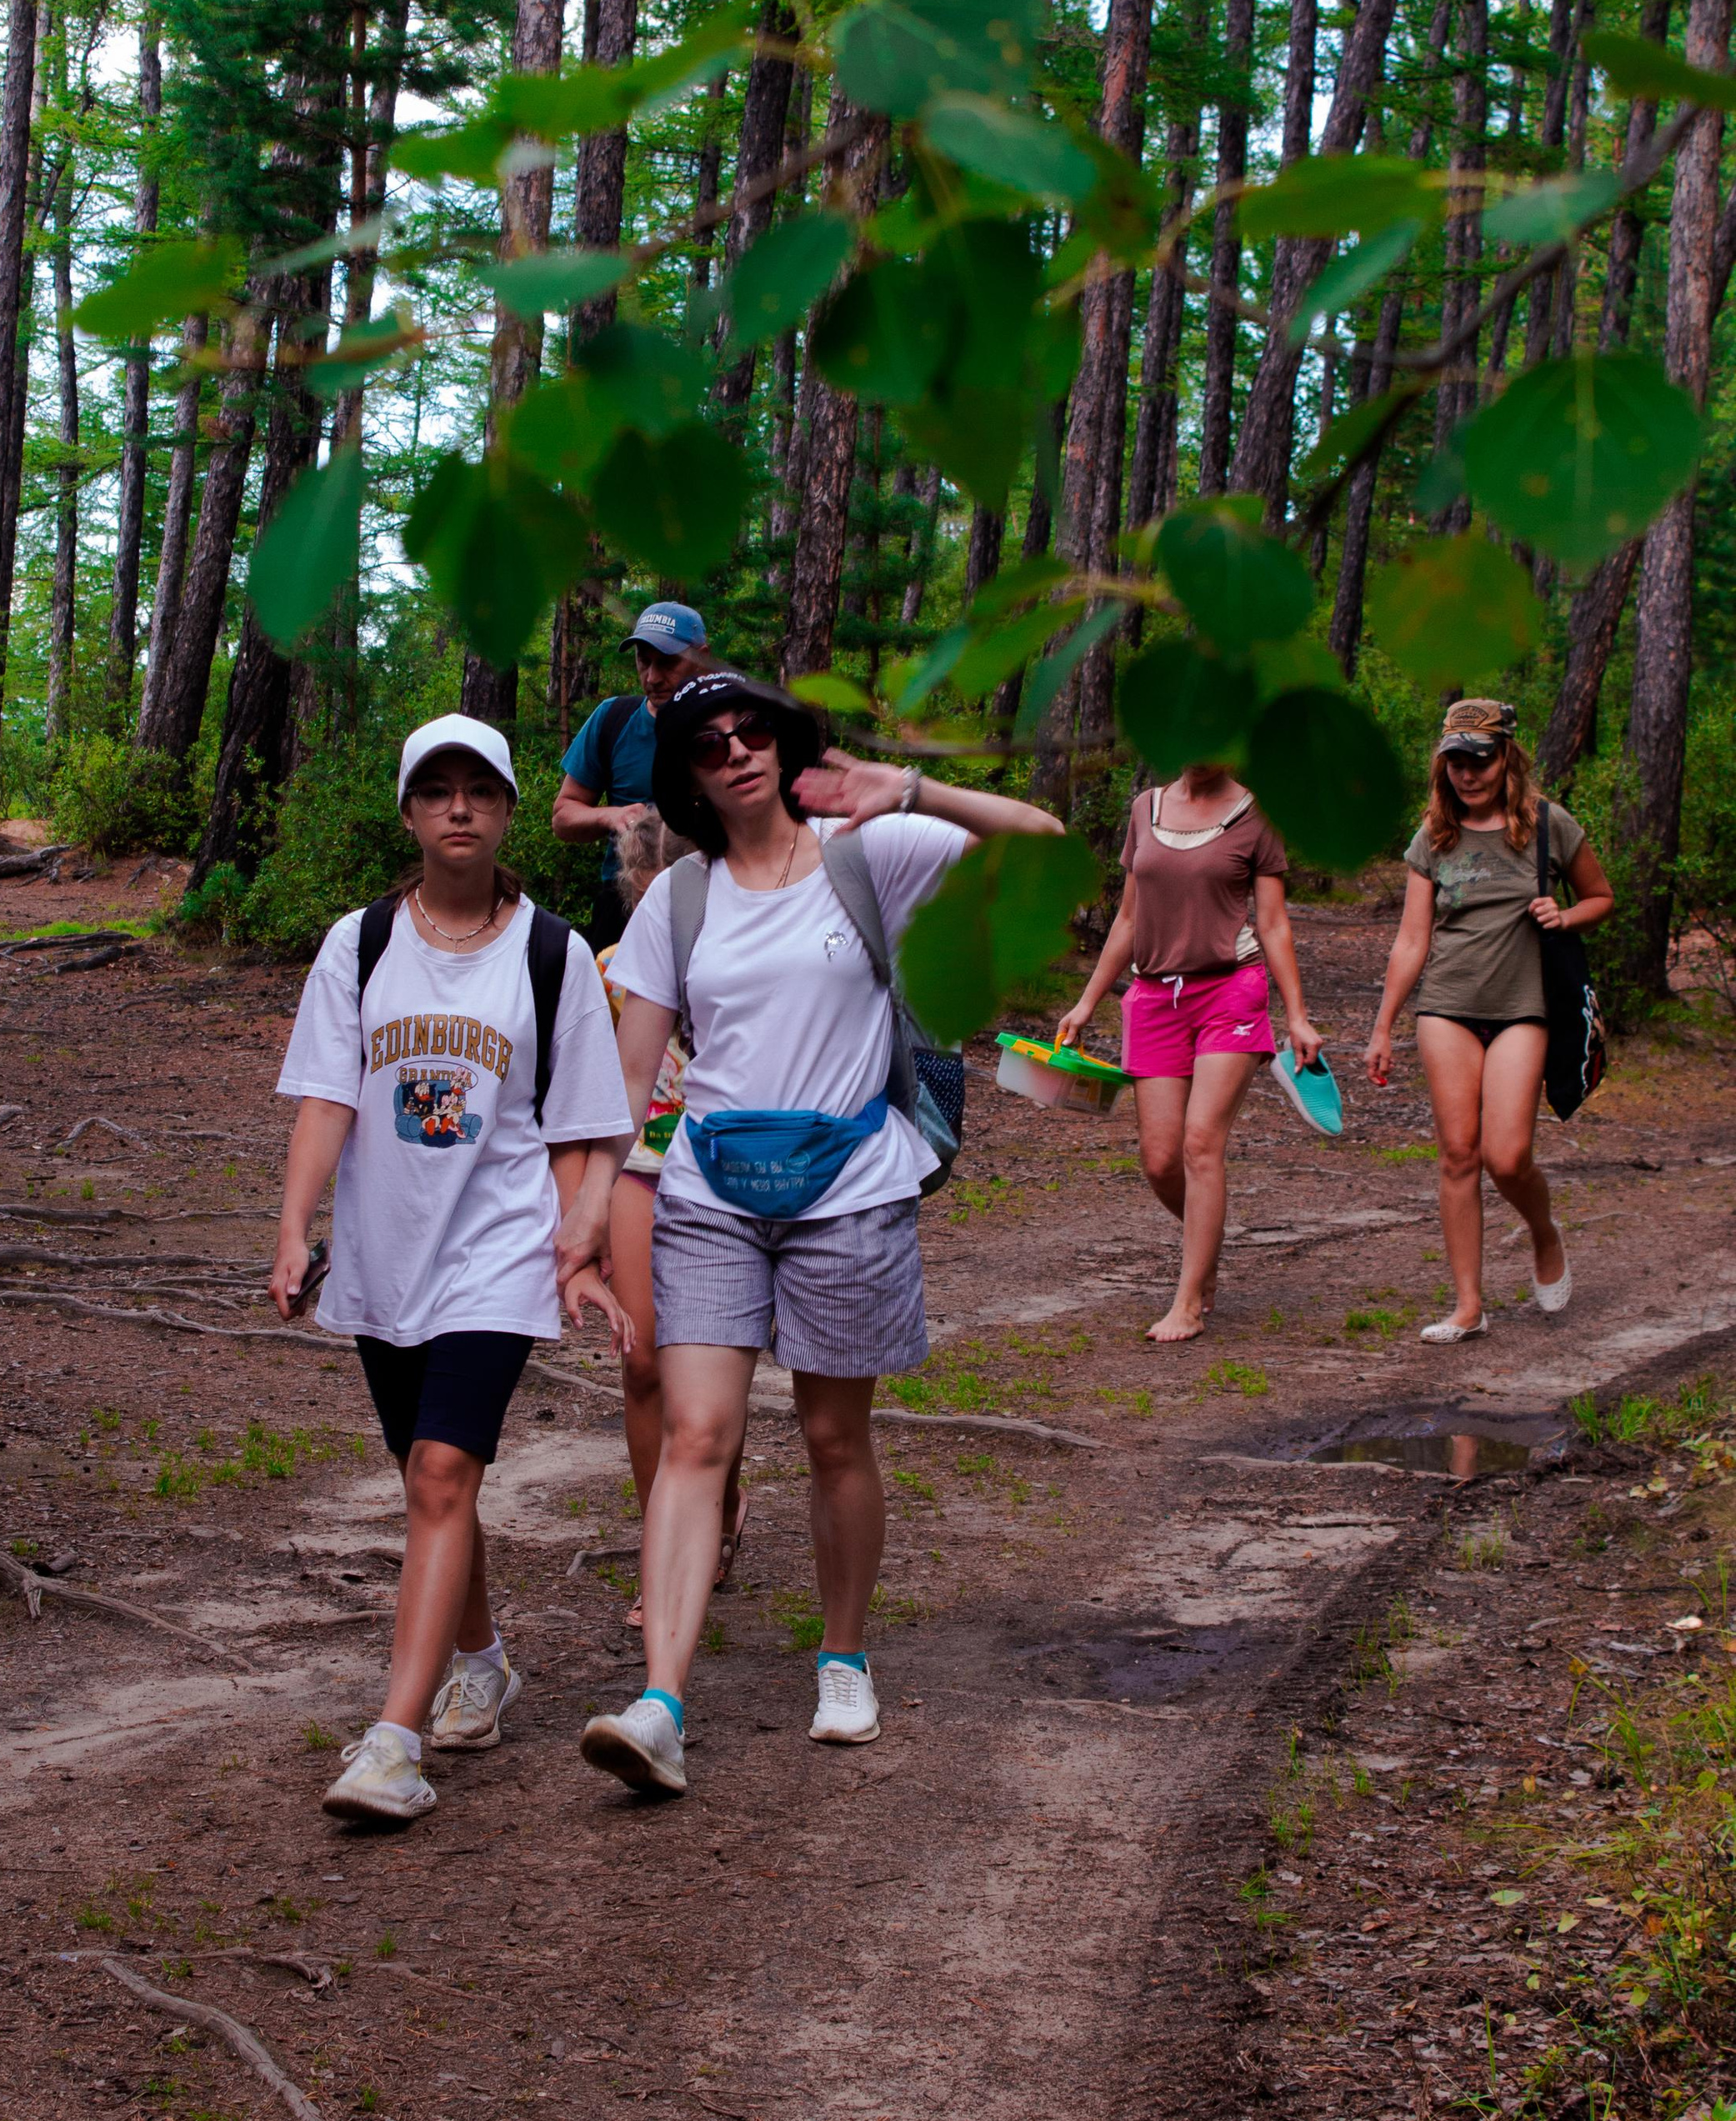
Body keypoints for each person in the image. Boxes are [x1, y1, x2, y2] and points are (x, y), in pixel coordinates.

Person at [579, 672, 1068, 1799]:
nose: (737, 751)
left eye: (754, 732)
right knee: (697, 1436)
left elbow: (1042, 842)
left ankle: (843, 1657)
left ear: (788, 745)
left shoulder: (871, 854)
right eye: (709, 744)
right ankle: (661, 1704)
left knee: (833, 1439)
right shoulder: (677, 902)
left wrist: (913, 788)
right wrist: (589, 1218)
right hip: (709, 1194)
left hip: (849, 1186)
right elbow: (631, 1077)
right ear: (689, 777)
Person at [268, 713, 634, 1826]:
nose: (460, 807)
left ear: (510, 809)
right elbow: (328, 1093)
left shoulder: (554, 952)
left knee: (438, 1477)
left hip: (497, 1250)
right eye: (438, 790)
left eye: (481, 789)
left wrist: (580, 1243)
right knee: (434, 1481)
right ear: (411, 812)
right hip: (384, 1251)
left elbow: (581, 1122)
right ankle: (480, 1654)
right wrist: (295, 1229)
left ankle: (391, 1744)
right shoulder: (362, 942)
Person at [1365, 698, 1613, 1343]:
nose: (1467, 774)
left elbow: (1601, 897)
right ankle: (1469, 1306)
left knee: (1508, 1157)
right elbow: (1412, 941)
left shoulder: (1549, 826)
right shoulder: (1433, 837)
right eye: (1455, 762)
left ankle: (1542, 1231)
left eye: (1480, 759)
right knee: (1457, 1156)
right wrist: (1383, 1025)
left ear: (1508, 757)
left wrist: (1565, 916)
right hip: (1447, 1006)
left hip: (1522, 1009)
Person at [1054, 762, 1323, 1343]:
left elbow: (1274, 924)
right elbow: (1129, 916)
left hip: (1230, 987)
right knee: (1160, 1160)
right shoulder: (1145, 807)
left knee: (1202, 1143)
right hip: (1155, 997)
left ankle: (1189, 1303)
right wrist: (1085, 1002)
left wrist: (1297, 1016)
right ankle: (1208, 1250)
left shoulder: (1255, 814)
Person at [598, 809, 745, 1632]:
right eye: (647, 902)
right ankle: (664, 1551)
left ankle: (719, 1505)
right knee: (644, 1363)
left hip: (729, 1170)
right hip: (642, 1168)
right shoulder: (608, 967)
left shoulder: (746, 957)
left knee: (713, 1362)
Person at [554, 600, 713, 955]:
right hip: (625, 900)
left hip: (713, 895)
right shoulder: (612, 719)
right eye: (644, 660)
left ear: (702, 658)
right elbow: (564, 817)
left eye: (668, 662)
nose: (652, 677)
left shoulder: (730, 730)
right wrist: (611, 816)